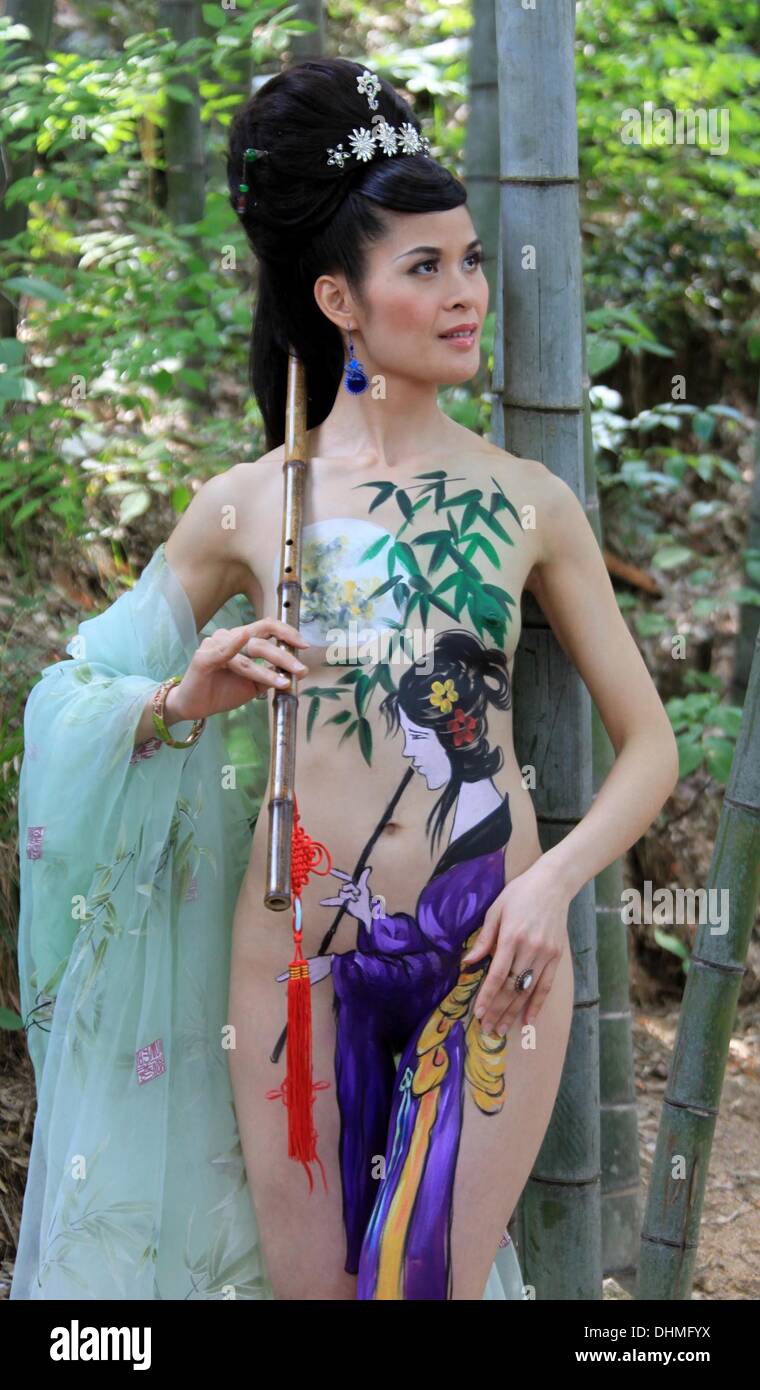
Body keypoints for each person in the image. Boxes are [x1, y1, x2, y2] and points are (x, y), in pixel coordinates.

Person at [10, 56, 679, 1302]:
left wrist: (547, 885)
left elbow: (650, 746)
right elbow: (74, 688)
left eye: (471, 260)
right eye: (424, 268)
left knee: (417, 1290)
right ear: (339, 299)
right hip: (290, 967)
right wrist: (180, 699)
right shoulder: (247, 503)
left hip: (495, 953)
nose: (468, 292)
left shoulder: (527, 500)